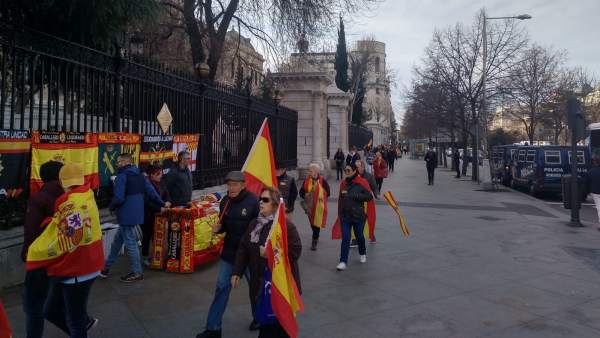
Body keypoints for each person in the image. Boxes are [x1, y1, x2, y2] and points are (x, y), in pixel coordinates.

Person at [28, 163, 104, 338]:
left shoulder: (70, 204)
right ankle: (85, 323)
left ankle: (83, 325)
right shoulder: (87, 195)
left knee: (74, 319)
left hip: (76, 269)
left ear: (62, 182)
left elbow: (67, 239)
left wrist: (35, 252)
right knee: (53, 310)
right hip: (90, 263)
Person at [231, 187, 302, 338]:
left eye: (265, 200)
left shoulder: (285, 226)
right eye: (260, 199)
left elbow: (295, 252)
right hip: (261, 286)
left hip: (281, 288)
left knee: (280, 329)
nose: (260, 202)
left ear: (275, 204)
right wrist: (237, 271)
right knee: (266, 327)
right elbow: (244, 248)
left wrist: (270, 254)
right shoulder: (254, 224)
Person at [197, 171, 259, 338]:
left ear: (243, 185)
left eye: (235, 184)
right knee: (221, 288)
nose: (231, 188)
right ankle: (213, 328)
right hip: (230, 253)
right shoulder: (225, 201)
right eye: (229, 184)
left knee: (256, 288)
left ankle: (260, 318)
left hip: (249, 255)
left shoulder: (254, 202)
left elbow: (260, 229)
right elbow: (225, 225)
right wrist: (219, 229)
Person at [21, 161, 72, 338]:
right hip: (64, 255)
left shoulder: (39, 198)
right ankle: (80, 327)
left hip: (41, 259)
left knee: (33, 305)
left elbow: (31, 231)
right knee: (58, 299)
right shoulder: (70, 196)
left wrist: (26, 254)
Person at [101, 153, 167, 282]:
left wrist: (112, 207)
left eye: (119, 161)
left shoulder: (121, 176)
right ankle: (105, 268)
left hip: (126, 214)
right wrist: (162, 203)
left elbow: (119, 197)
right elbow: (152, 193)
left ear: (125, 162)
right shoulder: (141, 176)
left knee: (130, 243)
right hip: (137, 213)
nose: (117, 164)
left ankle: (137, 272)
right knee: (117, 242)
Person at [336, 163, 373, 271]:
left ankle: (362, 252)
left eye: (348, 170)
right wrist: (340, 213)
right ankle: (343, 261)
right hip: (345, 216)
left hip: (358, 216)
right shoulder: (343, 183)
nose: (346, 172)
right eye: (345, 170)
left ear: (353, 171)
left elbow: (369, 196)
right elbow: (340, 200)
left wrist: (356, 196)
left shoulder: (362, 182)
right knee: (346, 238)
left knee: (359, 236)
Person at [142, 165, 171, 266]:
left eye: (161, 174)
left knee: (157, 236)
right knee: (147, 235)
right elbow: (147, 202)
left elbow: (167, 193)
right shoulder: (147, 185)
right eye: (158, 174)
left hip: (160, 215)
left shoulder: (162, 183)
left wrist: (168, 201)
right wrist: (160, 208)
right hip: (149, 214)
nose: (160, 176)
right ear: (151, 175)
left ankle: (156, 256)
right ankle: (145, 256)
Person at [299, 163, 330, 251]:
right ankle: (316, 234)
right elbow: (301, 192)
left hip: (319, 206)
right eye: (309, 170)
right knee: (312, 224)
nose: (309, 172)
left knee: (316, 223)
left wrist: (320, 192)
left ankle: (314, 240)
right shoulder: (306, 181)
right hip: (309, 207)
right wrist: (305, 194)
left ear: (316, 171)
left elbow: (328, 192)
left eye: (310, 171)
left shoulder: (322, 180)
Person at [588, 157, 600, 231]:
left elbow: (587, 182)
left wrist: (588, 191)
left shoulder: (591, 171)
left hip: (596, 192)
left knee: (599, 208)